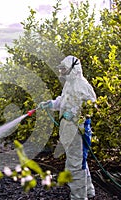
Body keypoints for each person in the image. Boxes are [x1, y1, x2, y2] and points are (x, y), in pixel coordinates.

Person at [39, 55, 96, 199]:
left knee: (75, 165)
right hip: (69, 130)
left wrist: (75, 114)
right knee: (78, 160)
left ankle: (78, 197)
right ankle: (89, 191)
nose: (62, 72)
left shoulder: (83, 85)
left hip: (78, 131)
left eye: (64, 69)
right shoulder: (69, 84)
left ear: (73, 69)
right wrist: (51, 104)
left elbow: (92, 106)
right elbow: (63, 101)